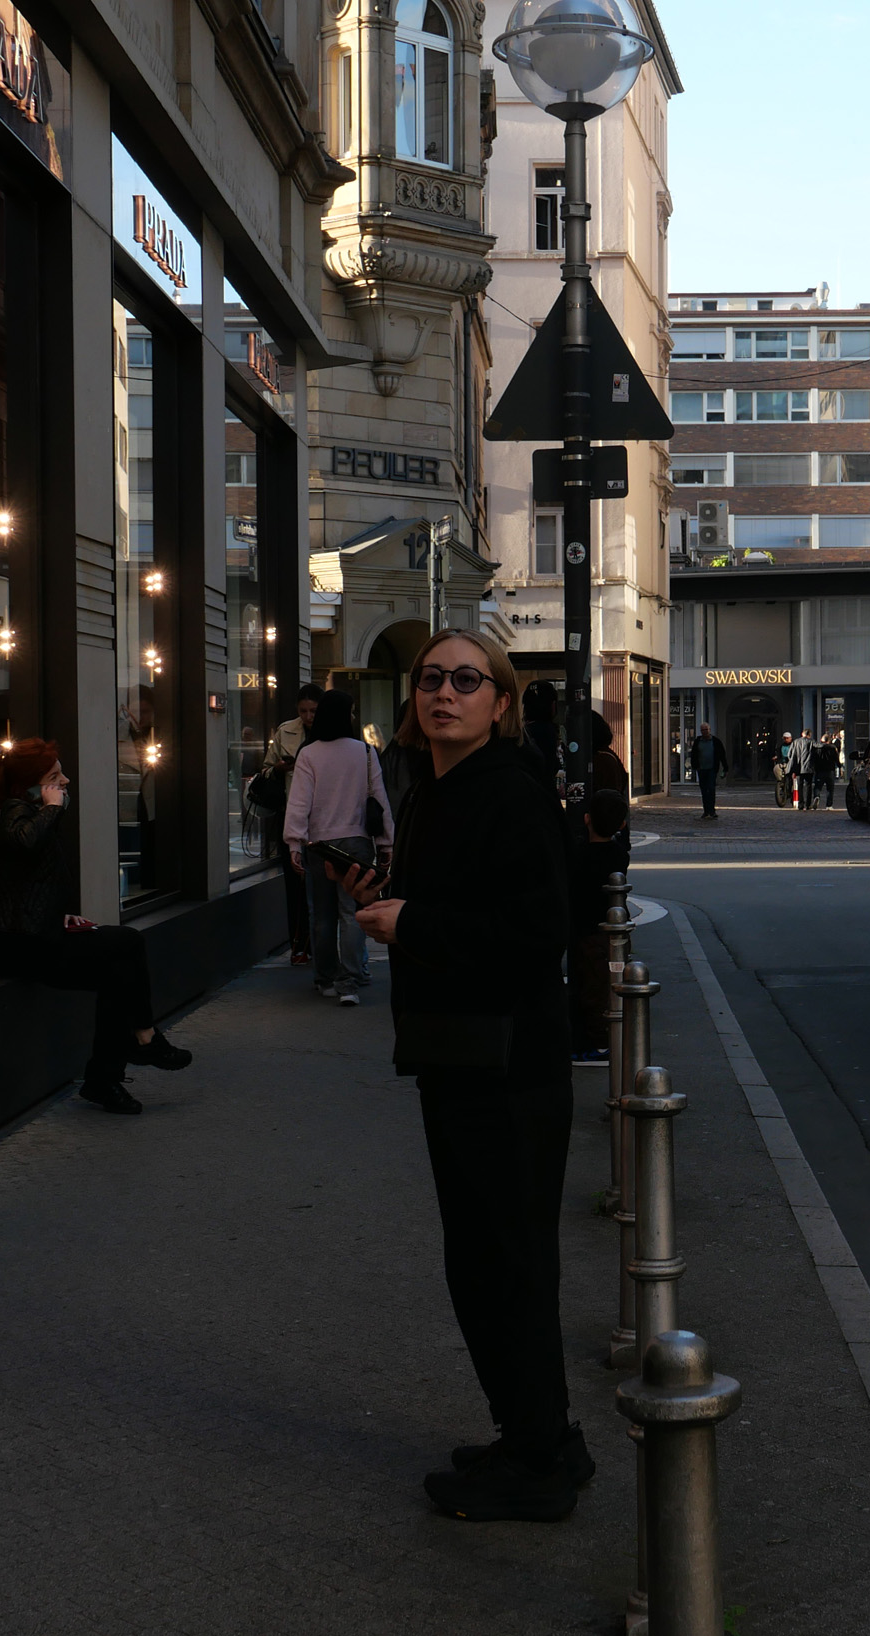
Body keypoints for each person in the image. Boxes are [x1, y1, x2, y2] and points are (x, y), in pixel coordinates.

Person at [331, 628, 587, 1521]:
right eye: (431, 678)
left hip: (506, 1067)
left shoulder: (509, 792)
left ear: (501, 703)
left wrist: (414, 927)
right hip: (460, 1053)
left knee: (503, 1265)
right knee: (489, 1261)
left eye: (467, 681)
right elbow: (457, 909)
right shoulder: (434, 789)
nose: (445, 693)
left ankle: (538, 1461)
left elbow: (539, 932)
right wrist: (382, 902)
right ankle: (539, 1435)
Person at [0, 739, 191, 1115]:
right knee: (126, 946)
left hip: (38, 935)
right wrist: (52, 808)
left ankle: (108, 1075)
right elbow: (23, 843)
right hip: (23, 948)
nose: (65, 781)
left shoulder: (31, 812)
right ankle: (140, 1041)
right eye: (54, 776)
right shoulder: (16, 812)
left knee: (119, 970)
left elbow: (29, 882)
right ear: (31, 786)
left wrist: (60, 913)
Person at [284, 688, 393, 1006]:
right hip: (357, 842)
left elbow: (299, 802)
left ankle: (326, 978)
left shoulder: (309, 754)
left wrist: (294, 842)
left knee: (321, 914)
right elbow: (379, 798)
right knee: (351, 914)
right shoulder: (365, 752)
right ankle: (349, 982)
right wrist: (386, 842)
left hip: (319, 844)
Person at [567, 789, 631, 1064]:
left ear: (586, 819)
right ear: (622, 824)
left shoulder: (579, 855)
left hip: (585, 930)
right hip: (612, 929)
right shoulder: (619, 855)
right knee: (607, 985)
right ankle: (603, 1037)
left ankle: (596, 1043)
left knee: (590, 988)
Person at [260, 684, 320, 964]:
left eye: (313, 711)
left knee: (320, 884)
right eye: (303, 711)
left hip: (322, 817)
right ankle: (299, 943)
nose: (308, 716)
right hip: (292, 813)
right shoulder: (285, 731)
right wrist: (279, 768)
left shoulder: (332, 732)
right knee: (295, 883)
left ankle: (317, 943)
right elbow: (265, 769)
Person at [688, 721, 727, 819]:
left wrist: (725, 767)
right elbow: (693, 754)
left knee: (711, 789)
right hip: (701, 769)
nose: (704, 732)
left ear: (709, 730)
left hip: (712, 769)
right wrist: (694, 766)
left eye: (706, 730)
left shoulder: (715, 741)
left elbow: (722, 754)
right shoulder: (698, 741)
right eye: (702, 730)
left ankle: (712, 810)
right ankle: (706, 811)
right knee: (704, 791)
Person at [809, 727, 840, 810]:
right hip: (830, 770)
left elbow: (812, 759)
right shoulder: (833, 748)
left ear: (821, 740)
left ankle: (816, 797)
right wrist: (839, 765)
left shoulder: (816, 748)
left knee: (817, 787)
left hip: (819, 770)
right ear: (829, 741)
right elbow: (836, 759)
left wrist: (812, 767)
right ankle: (829, 805)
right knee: (830, 789)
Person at [788, 726, 816, 809]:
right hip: (808, 767)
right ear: (809, 735)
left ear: (802, 734)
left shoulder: (795, 742)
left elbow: (790, 755)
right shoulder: (812, 742)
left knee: (799, 786)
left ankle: (800, 804)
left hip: (798, 767)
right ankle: (808, 804)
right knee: (808, 786)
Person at [772, 730, 796, 807]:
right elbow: (779, 754)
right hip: (782, 762)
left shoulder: (794, 745)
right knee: (776, 768)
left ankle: (791, 791)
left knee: (790, 775)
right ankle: (781, 782)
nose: (786, 740)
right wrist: (777, 757)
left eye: (787, 738)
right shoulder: (781, 746)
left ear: (790, 738)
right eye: (784, 738)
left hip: (791, 763)